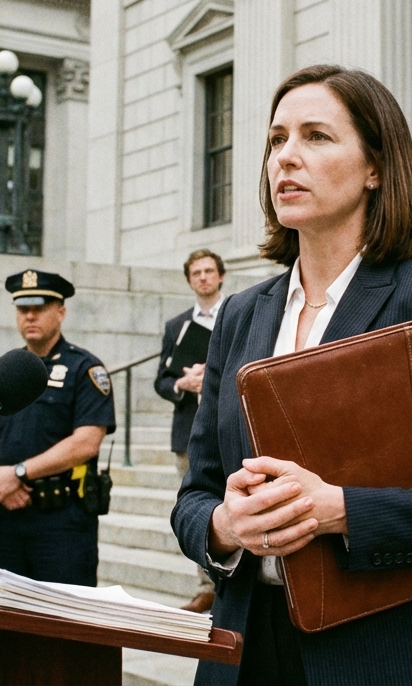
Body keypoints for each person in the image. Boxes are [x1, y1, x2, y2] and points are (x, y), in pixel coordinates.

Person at [170, 64, 412, 684]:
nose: (287, 156)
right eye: (276, 139)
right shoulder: (240, 312)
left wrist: (338, 509)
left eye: (316, 136)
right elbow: (195, 493)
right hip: (245, 646)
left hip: (383, 653)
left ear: (375, 167)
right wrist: (224, 526)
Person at [0, 270, 113, 585]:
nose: (30, 316)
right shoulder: (5, 370)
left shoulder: (85, 369)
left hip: (62, 522)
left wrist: (17, 473)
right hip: (6, 514)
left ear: (61, 312)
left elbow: (86, 442)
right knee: (0, 616)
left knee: (63, 624)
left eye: (40, 308)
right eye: (23, 309)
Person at [156, 248, 226, 612]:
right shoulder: (176, 326)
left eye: (209, 271)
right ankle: (206, 586)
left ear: (220, 276)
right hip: (189, 430)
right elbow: (161, 381)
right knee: (195, 505)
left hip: (229, 426)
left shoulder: (237, 314)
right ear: (189, 280)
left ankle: (231, 584)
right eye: (196, 272)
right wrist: (184, 384)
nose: (203, 277)